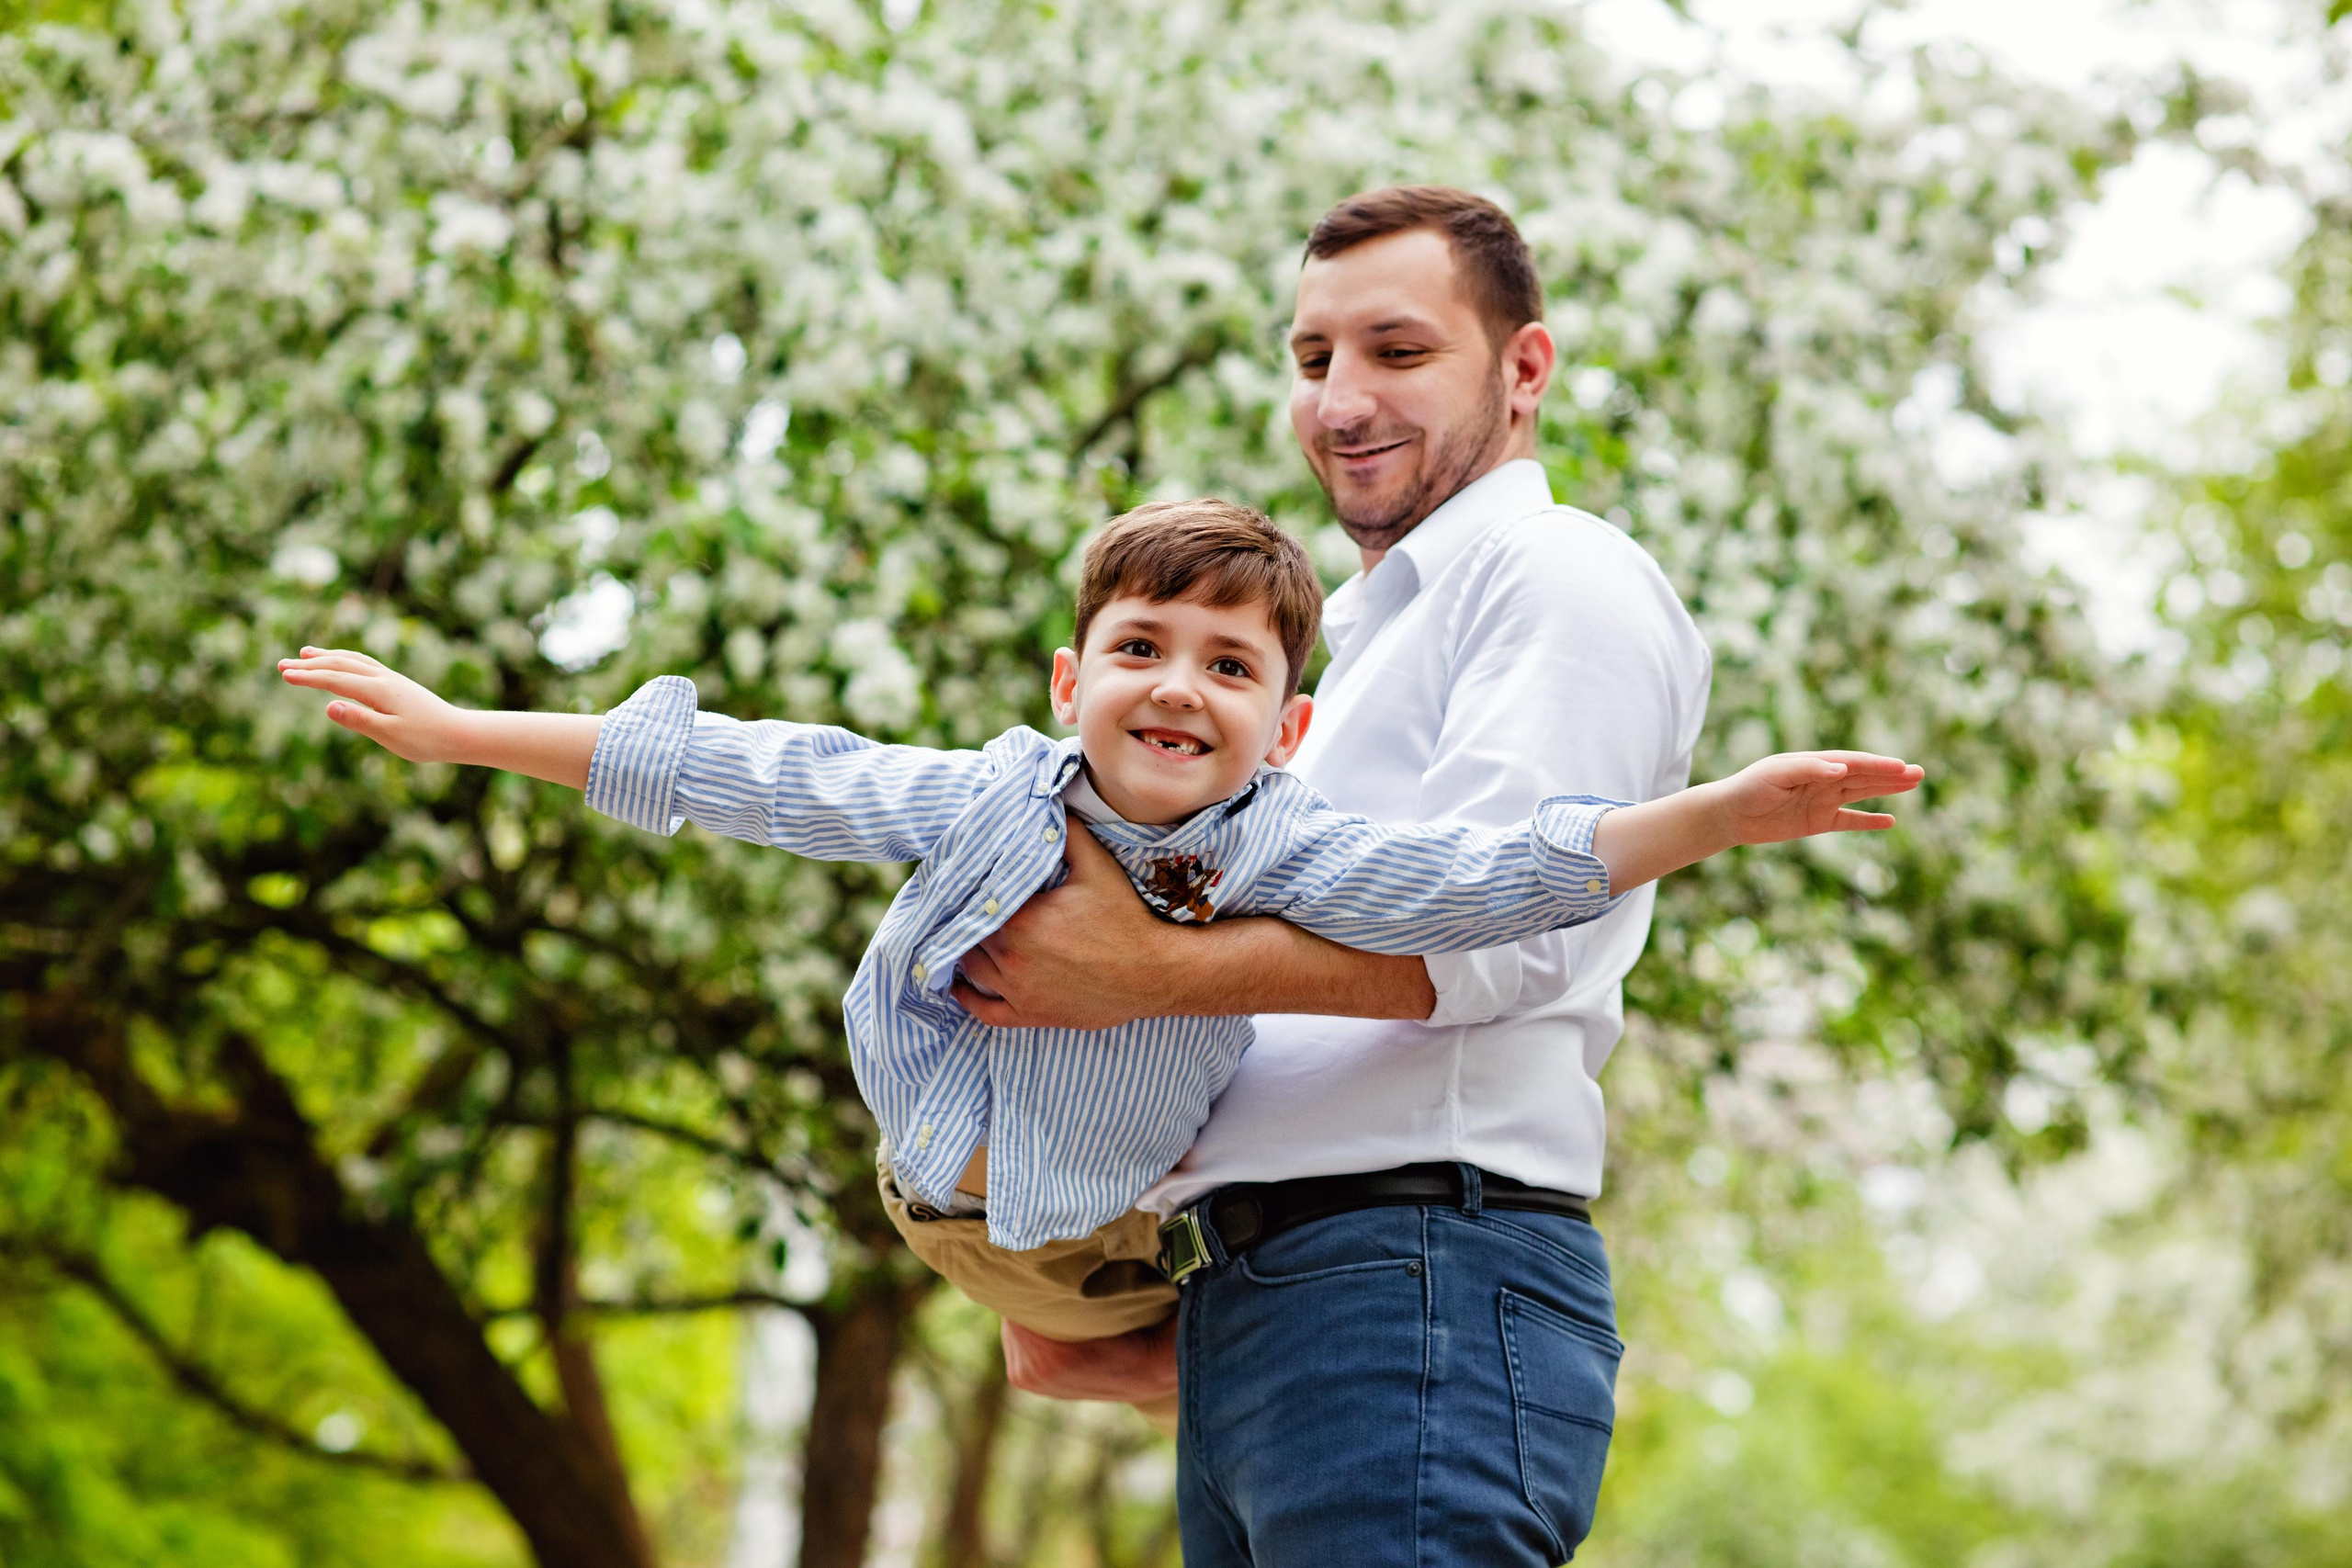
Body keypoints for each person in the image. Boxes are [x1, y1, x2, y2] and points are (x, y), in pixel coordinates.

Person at [281, 497, 1915, 1443]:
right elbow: (754, 771)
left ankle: (1189, 1373)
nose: (1175, 691)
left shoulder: (1290, 843)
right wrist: (461, 732)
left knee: (1071, 1349)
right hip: (954, 1199)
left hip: (1114, 1227)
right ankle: (1117, 1352)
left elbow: (1468, 882)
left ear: (1288, 726)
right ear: (1075, 677)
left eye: (1228, 666)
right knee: (1042, 1328)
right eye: (1139, 651)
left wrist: (1705, 818)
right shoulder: (988, 792)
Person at [961, 186, 1717, 1562]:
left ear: (1524, 368)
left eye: (1398, 351)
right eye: (1314, 361)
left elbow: (1513, 926)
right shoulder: (1345, 653)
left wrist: (1144, 970)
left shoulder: (1558, 578)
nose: (1342, 400)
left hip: (1414, 1269)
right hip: (1288, 1297)